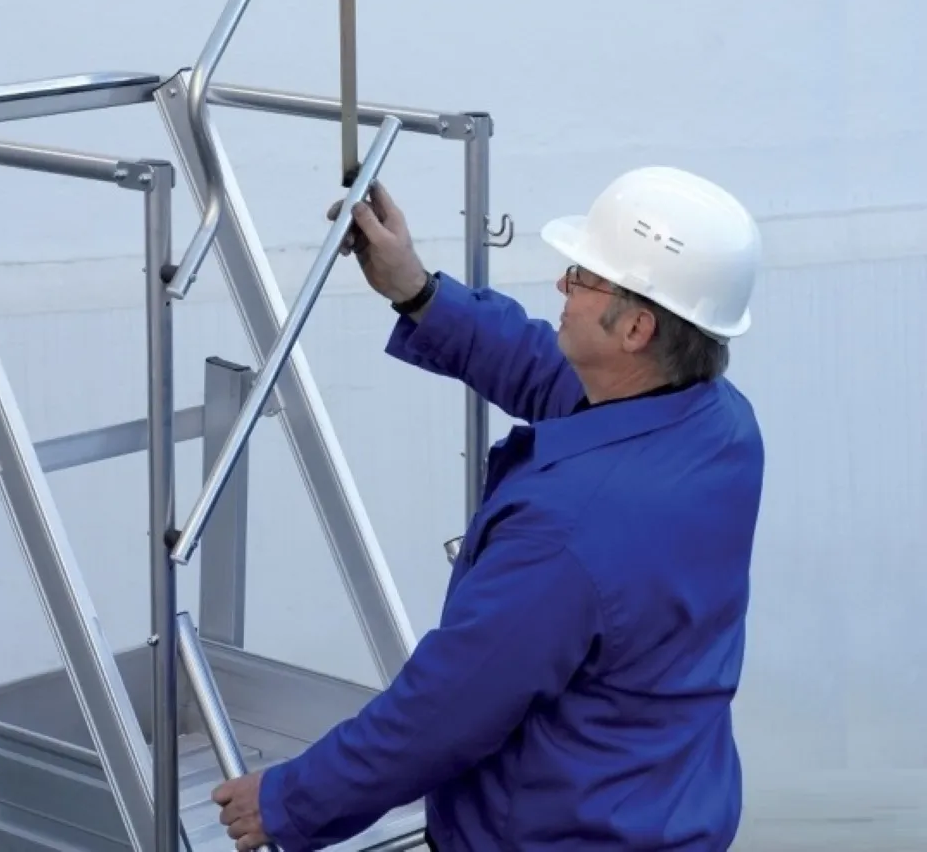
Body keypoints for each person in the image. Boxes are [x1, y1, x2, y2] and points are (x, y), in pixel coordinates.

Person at [212, 166, 766, 852]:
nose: (562, 284)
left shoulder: (567, 532)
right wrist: (418, 291)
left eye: (583, 278)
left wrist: (291, 799)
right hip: (666, 810)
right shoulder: (720, 427)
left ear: (636, 328)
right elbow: (548, 370)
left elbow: (446, 709)